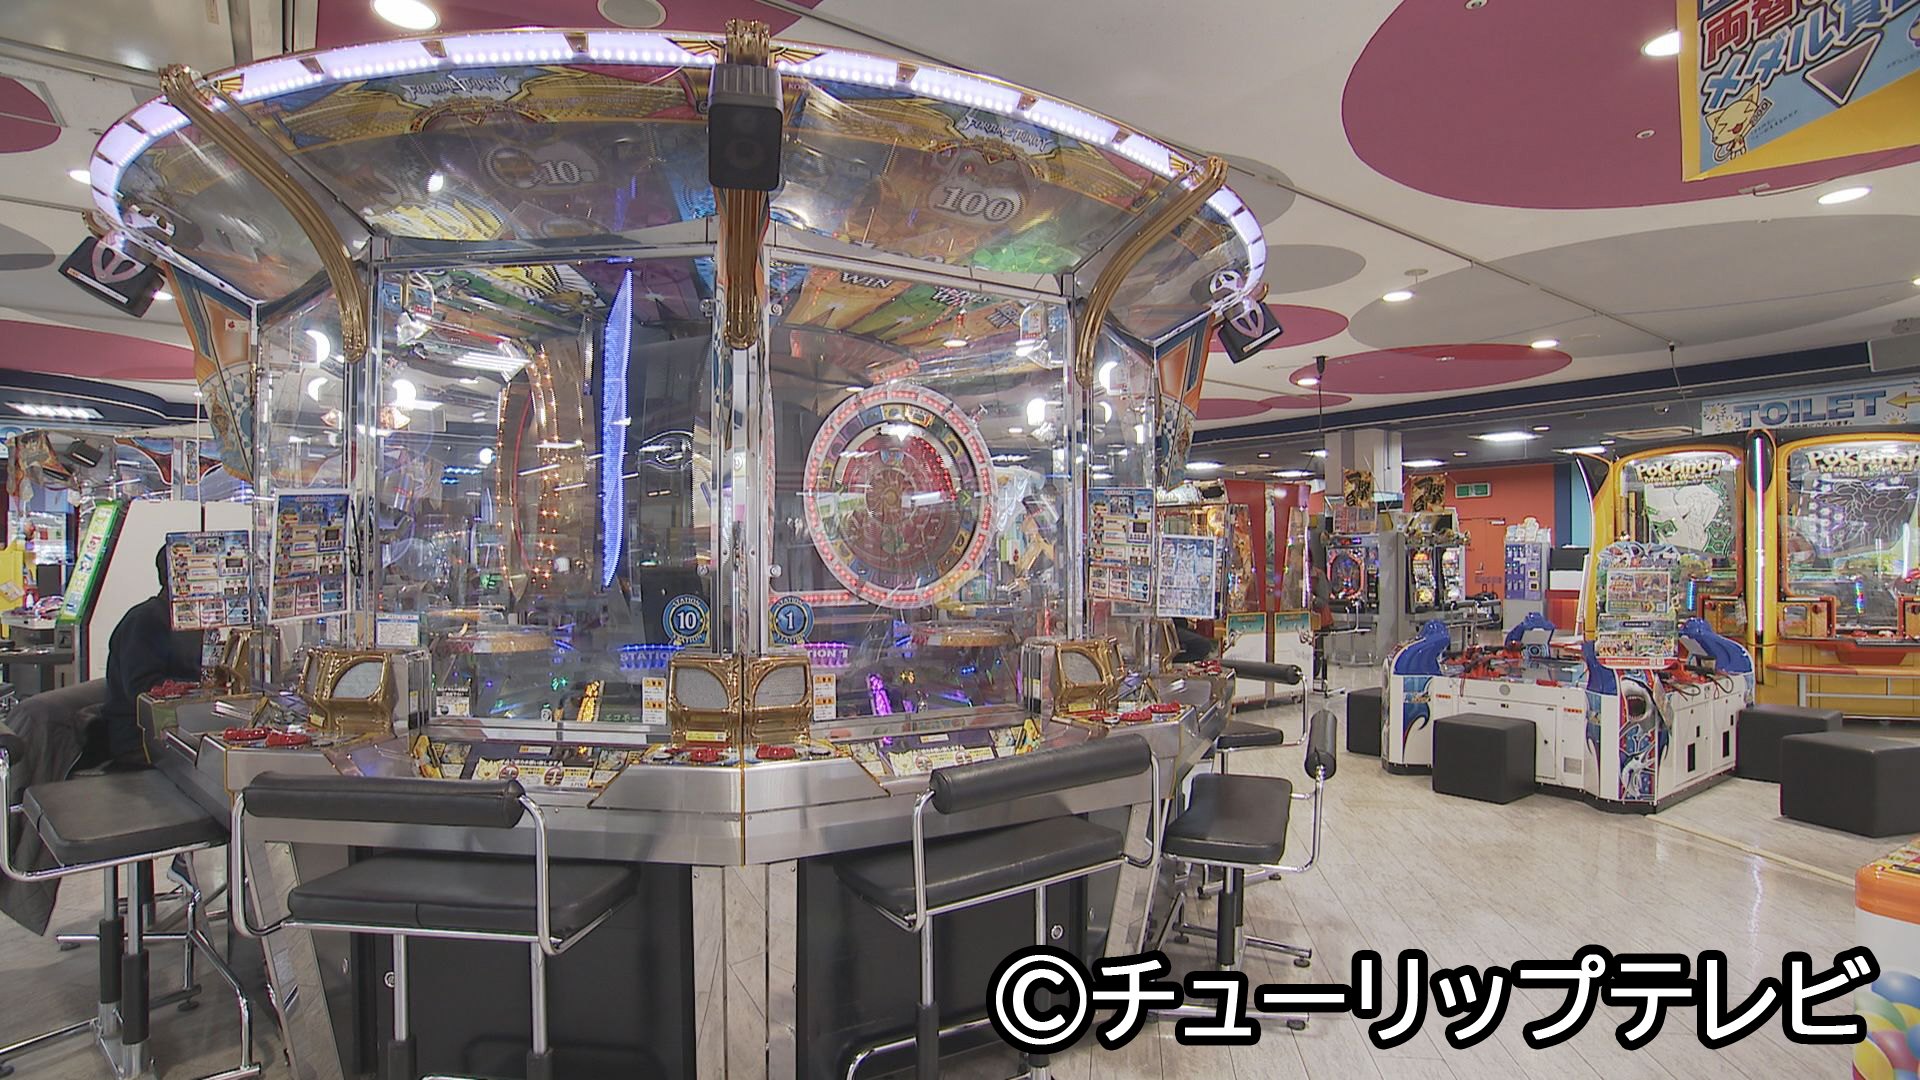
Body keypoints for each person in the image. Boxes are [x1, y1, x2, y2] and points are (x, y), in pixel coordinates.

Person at [101, 546, 204, 766]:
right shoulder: (144, 621)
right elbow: (141, 688)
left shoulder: (192, 621)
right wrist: (194, 690)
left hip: (180, 726)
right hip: (139, 740)